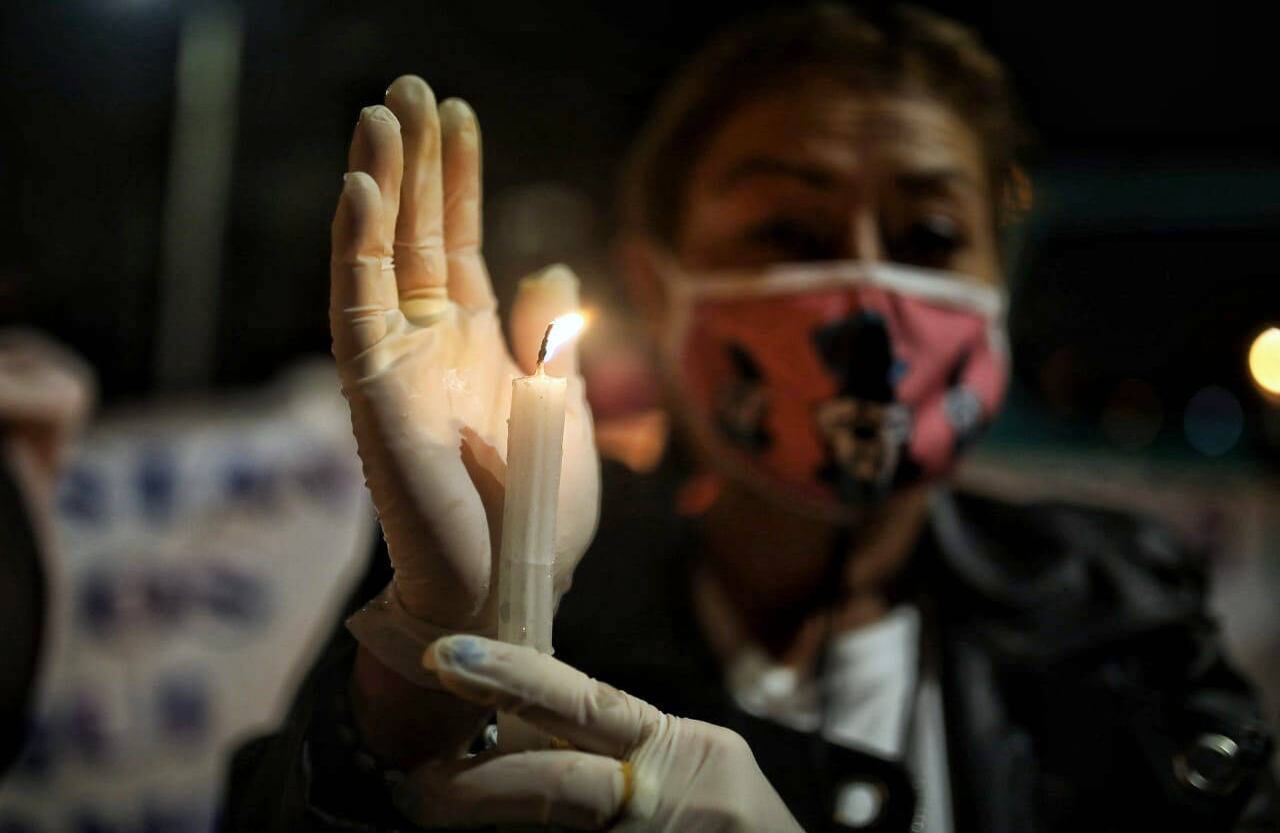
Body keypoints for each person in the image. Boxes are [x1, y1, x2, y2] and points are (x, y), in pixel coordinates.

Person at [222, 4, 1279, 831]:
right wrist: (438, 652)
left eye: (925, 234)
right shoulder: (532, 581)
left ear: (997, 282)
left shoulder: (1117, 613)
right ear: (655, 279)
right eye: (787, 229)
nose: (866, 291)